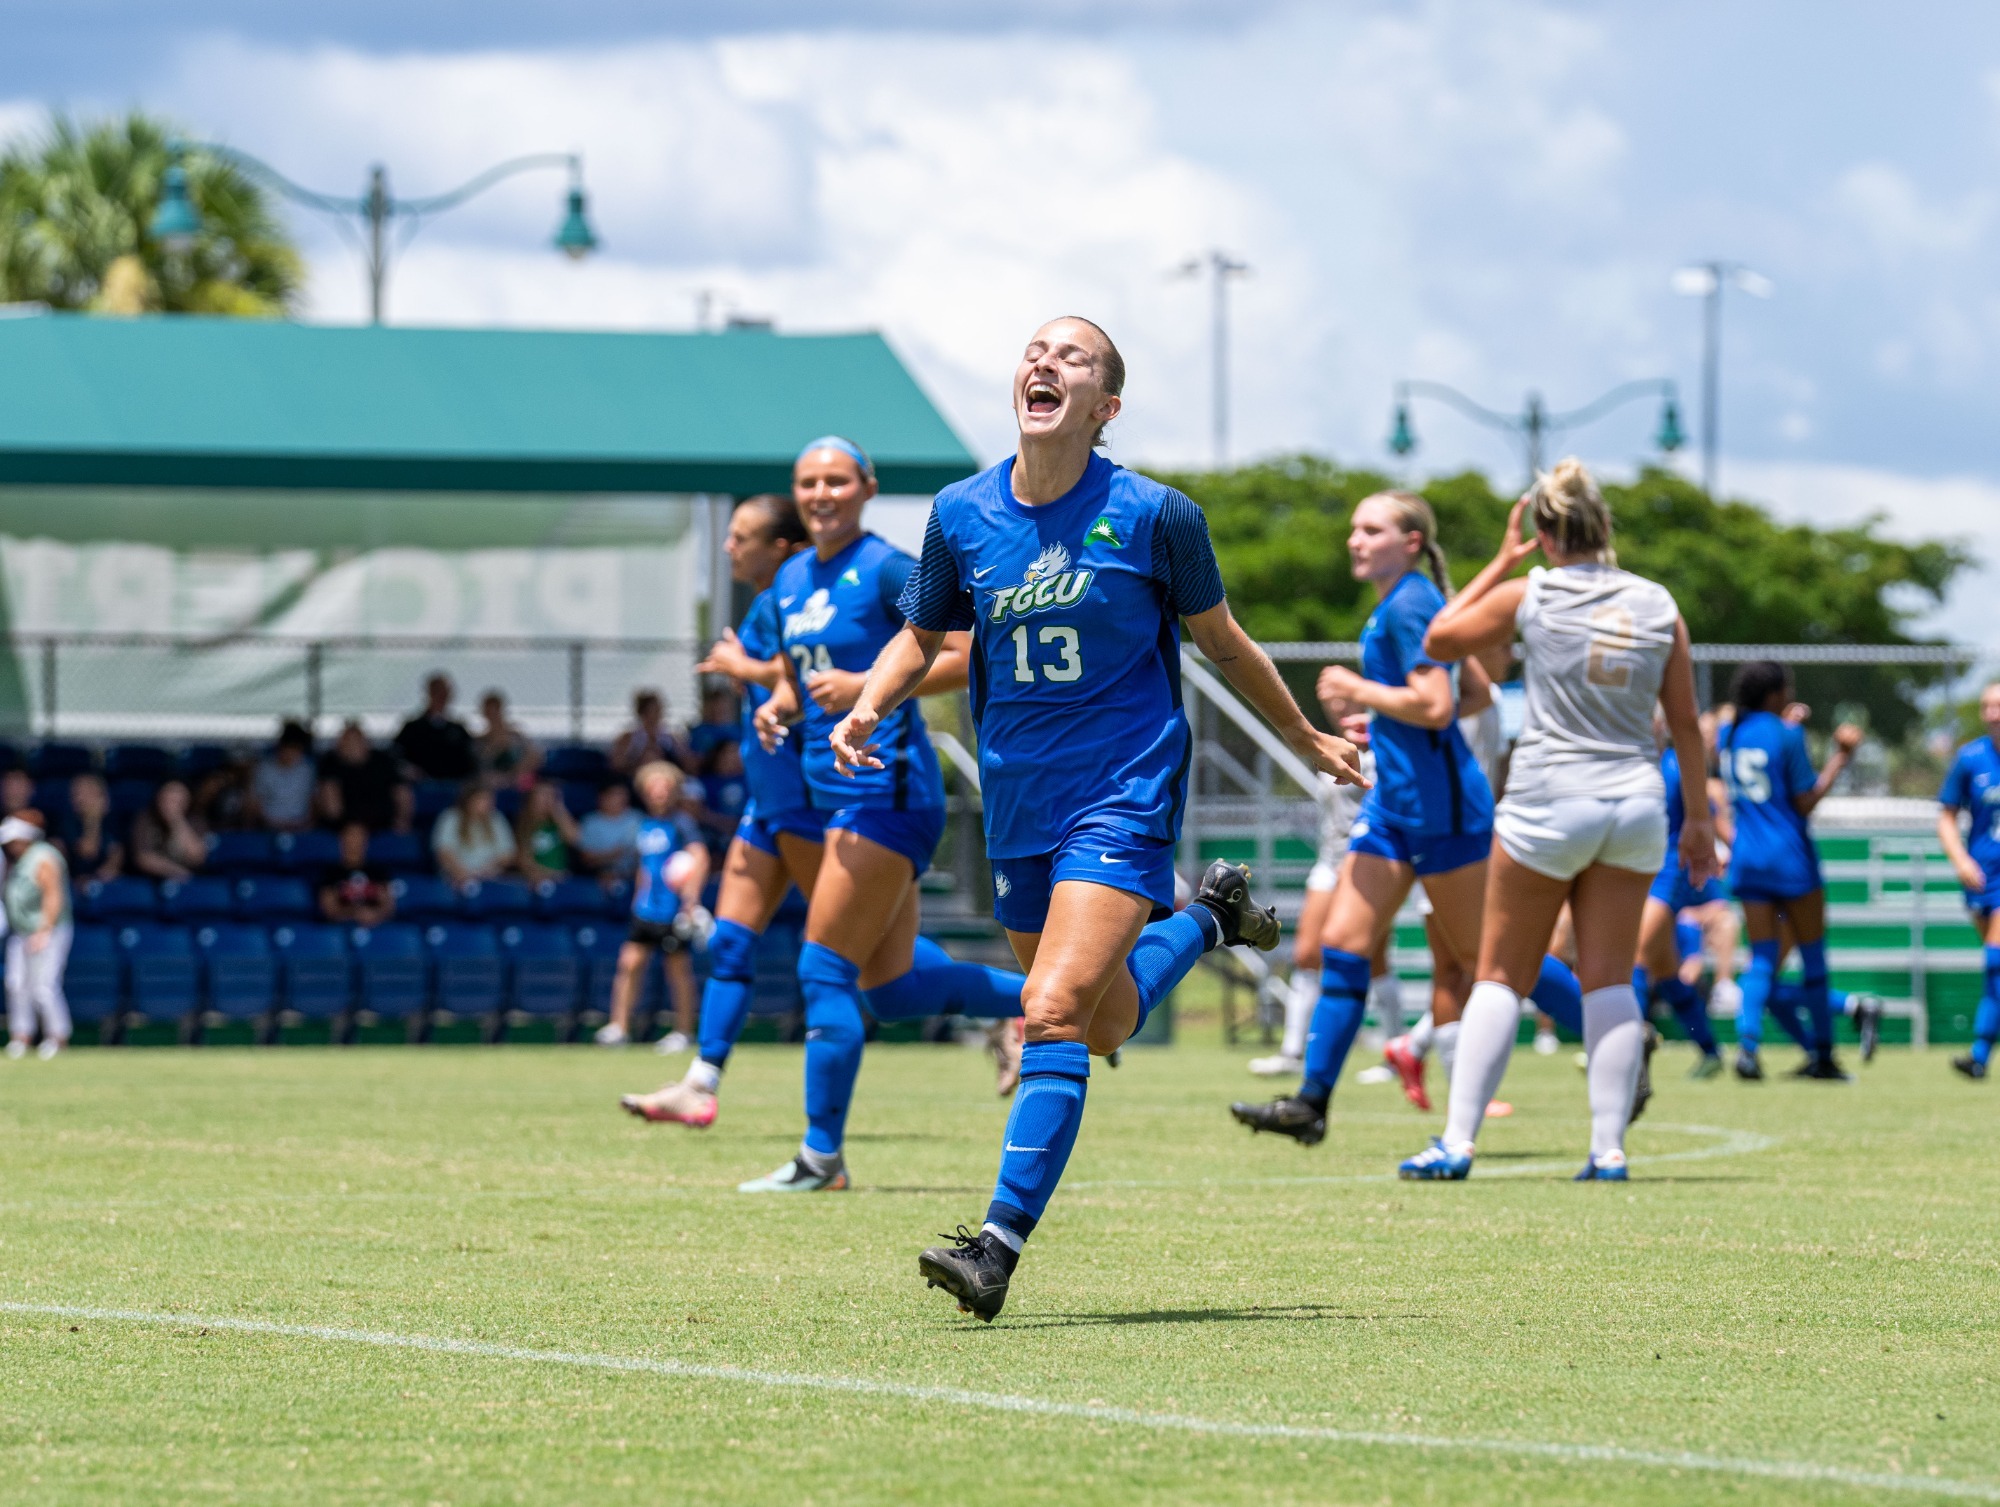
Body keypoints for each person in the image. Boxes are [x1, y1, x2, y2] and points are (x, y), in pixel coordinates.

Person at [829, 317, 1364, 1318]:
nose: (1044, 362)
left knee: (1051, 1014)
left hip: (1122, 790)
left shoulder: (1155, 514)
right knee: (1105, 1018)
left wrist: (1302, 736)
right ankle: (1208, 918)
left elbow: (1223, 642)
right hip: (1017, 804)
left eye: (1071, 357)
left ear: (1104, 406)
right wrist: (870, 700)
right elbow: (918, 637)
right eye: (1035, 350)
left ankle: (993, 1244)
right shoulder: (959, 513)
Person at [1395, 460, 1714, 1183]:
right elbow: (1687, 724)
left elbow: (1440, 638)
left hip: (1547, 796)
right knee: (1608, 977)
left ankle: (1457, 1141)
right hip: (1634, 800)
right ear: (1604, 525)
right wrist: (1698, 819)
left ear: (1543, 531)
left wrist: (1504, 561)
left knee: (1501, 974)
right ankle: (1608, 1151)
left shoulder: (1529, 592)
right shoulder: (1658, 601)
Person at [1231, 490, 1580, 1148]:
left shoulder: (1410, 600)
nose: (1354, 539)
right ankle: (1311, 1102)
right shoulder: (1404, 601)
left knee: (1492, 960)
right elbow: (1465, 682)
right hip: (1395, 805)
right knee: (1343, 944)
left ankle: (1617, 1030)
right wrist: (1384, 715)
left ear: (1411, 543)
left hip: (1442, 808)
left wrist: (1362, 692)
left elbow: (1440, 703)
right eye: (1354, 529)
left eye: (1371, 529)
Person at [732, 437, 1032, 1193]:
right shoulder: (792, 577)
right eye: (808, 482)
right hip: (833, 792)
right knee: (890, 987)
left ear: (867, 486)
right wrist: (778, 702)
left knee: (822, 965)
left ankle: (820, 1160)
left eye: (837, 479)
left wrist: (868, 682)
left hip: (887, 791)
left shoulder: (892, 565)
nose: (821, 492)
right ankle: (1049, 998)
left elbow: (966, 651)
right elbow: (798, 677)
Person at [1718, 659, 1861, 1081]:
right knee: (1813, 958)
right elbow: (1805, 801)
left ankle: (1747, 1049)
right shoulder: (1787, 734)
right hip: (1790, 857)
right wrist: (1841, 757)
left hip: (1748, 856)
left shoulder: (1730, 734)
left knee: (1761, 958)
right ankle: (1822, 1053)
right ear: (1776, 694)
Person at [1248, 707, 1396, 1078]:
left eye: (1361, 720)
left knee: (1376, 960)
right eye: (1347, 720)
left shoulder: (1386, 761)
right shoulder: (1333, 753)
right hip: (1329, 863)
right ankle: (1292, 1052)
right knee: (1306, 954)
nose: (1351, 725)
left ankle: (1396, 1055)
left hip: (1366, 863)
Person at [1634, 720, 1730, 1078]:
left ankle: (1628, 1052)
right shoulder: (1638, 762)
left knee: (1637, 956)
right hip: (1641, 868)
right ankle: (1710, 1051)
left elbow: (1707, 815)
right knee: (1665, 970)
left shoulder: (1676, 765)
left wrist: (1721, 847)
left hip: (1670, 870)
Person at [597, 762, 709, 1051]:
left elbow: (699, 857)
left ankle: (683, 1032)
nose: (658, 793)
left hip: (672, 911)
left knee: (677, 970)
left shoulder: (682, 824)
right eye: (653, 788)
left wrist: (691, 900)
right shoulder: (642, 824)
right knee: (629, 964)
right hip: (645, 910)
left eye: (664, 788)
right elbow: (642, 867)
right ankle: (619, 1028)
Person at [1937, 679, 2000, 1081]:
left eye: (1998, 705)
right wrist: (1959, 859)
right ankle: (1979, 1058)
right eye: (1986, 706)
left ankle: (1978, 1053)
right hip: (1982, 877)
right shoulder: (1970, 758)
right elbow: (1945, 815)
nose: (1993, 713)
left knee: (1996, 961)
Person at [2, 813, 70, 1059]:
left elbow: (53, 895)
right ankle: (21, 1036)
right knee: (16, 983)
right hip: (22, 932)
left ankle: (57, 1036)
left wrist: (44, 930)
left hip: (47, 931)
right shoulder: (19, 861)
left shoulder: (43, 857)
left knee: (44, 986)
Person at [316, 722, 409, 833]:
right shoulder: (331, 762)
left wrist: (403, 820)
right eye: (346, 741)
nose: (350, 746)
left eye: (354, 741)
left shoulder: (382, 761)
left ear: (365, 742)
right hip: (345, 822)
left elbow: (402, 793)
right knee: (354, 831)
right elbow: (331, 805)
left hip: (381, 819)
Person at [432, 781, 517, 889]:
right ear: (469, 800)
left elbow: (508, 854)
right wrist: (463, 873)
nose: (489, 803)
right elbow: (443, 853)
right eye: (483, 799)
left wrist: (486, 871)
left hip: (491, 878)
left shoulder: (496, 819)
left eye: (490, 799)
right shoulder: (451, 817)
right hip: (456, 878)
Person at [394, 673, 476, 781]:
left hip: (453, 787)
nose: (441, 697)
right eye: (437, 692)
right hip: (421, 787)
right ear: (429, 694)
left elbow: (470, 761)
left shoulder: (458, 730)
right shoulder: (413, 729)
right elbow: (396, 756)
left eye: (445, 693)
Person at [318, 821, 396, 927]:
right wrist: (354, 914)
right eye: (351, 835)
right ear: (341, 840)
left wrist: (374, 916)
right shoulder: (330, 873)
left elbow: (388, 906)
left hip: (375, 928)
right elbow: (329, 908)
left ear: (366, 841)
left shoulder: (379, 872)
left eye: (359, 836)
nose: (354, 840)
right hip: (342, 929)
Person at [129, 779, 208, 881]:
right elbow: (143, 858)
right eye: (168, 798)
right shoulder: (145, 819)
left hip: (189, 880)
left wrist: (176, 820)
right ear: (159, 797)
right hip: (153, 880)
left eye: (177, 800)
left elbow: (197, 857)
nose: (171, 803)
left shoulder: (196, 821)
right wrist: (176, 871)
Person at [55, 773, 123, 883]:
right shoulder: (67, 821)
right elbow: (88, 852)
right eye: (76, 793)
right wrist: (92, 820)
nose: (80, 798)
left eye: (89, 791)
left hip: (105, 883)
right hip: (72, 880)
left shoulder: (114, 820)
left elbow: (115, 858)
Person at [250, 722, 317, 832]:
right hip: (268, 829)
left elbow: (314, 803)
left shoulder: (307, 770)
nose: (292, 755)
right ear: (281, 748)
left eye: (297, 750)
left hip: (300, 829)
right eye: (289, 749)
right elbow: (254, 804)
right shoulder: (264, 769)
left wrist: (305, 825)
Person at [610, 691, 694, 776]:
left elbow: (687, 761)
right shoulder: (628, 737)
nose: (659, 713)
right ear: (642, 712)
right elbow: (617, 763)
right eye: (653, 709)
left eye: (659, 709)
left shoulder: (671, 737)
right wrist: (640, 757)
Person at [576, 779, 642, 883]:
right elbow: (586, 859)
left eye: (624, 794)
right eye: (616, 794)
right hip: (599, 877)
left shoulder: (637, 818)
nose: (621, 799)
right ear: (602, 798)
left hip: (633, 875)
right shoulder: (591, 822)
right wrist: (611, 855)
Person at [514, 780, 579, 884]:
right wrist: (546, 874)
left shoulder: (559, 821)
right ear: (532, 798)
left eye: (551, 795)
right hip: (535, 878)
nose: (547, 799)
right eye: (543, 794)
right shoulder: (524, 823)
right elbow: (524, 860)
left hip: (561, 877)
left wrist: (559, 810)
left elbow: (574, 838)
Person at [474, 689, 541, 788]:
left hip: (518, 780)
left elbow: (535, 757)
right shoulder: (480, 741)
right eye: (489, 711)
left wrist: (517, 771)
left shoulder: (516, 736)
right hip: (493, 782)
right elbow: (480, 765)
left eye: (495, 710)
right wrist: (495, 748)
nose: (493, 715)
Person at [687, 685, 743, 761]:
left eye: (723, 708)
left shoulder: (740, 730)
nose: (718, 710)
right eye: (715, 707)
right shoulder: (700, 732)